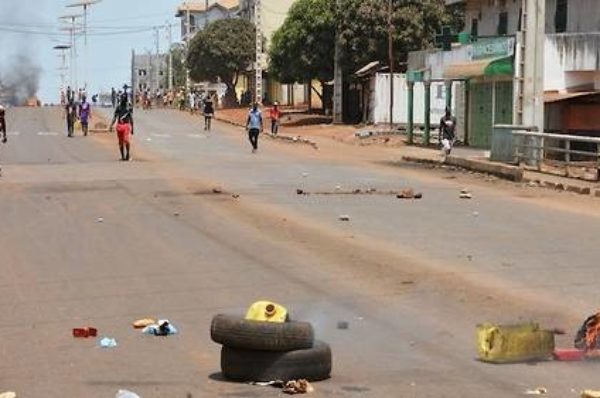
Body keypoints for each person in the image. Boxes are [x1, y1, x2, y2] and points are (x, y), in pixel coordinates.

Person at [110, 94, 134, 161]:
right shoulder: (118, 107)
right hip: (119, 126)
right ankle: (122, 156)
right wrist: (111, 125)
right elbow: (115, 117)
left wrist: (132, 128)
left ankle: (128, 154)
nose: (122, 100)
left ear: (126, 100)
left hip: (126, 125)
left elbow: (131, 118)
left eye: (124, 98)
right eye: (122, 98)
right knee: (120, 142)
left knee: (126, 140)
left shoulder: (129, 108)